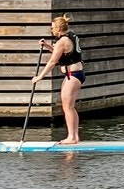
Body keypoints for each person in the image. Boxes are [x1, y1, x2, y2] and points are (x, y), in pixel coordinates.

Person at [33, 15, 85, 144]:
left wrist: (40, 76)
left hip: (72, 76)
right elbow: (60, 53)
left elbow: (52, 61)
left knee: (68, 108)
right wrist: (46, 46)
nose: (51, 31)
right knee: (70, 107)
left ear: (58, 28)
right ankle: (75, 136)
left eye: (52, 28)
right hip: (75, 74)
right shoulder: (71, 35)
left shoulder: (62, 41)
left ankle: (72, 137)